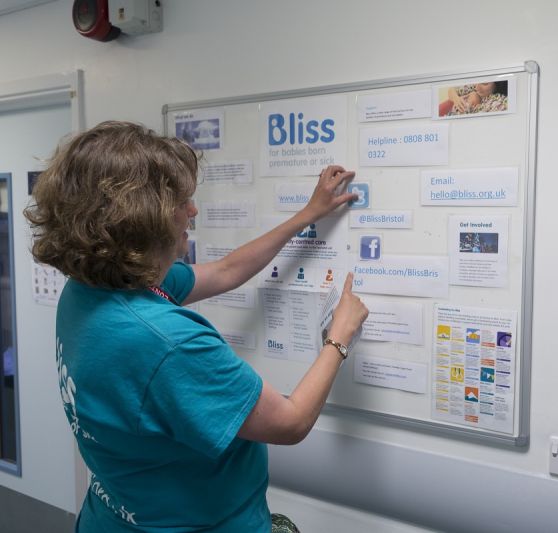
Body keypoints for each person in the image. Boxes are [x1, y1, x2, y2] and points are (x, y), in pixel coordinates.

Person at [23, 121, 369, 532]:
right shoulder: (167, 342)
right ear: (142, 219)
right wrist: (339, 336)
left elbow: (226, 271)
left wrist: (308, 215)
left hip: (114, 516)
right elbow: (290, 422)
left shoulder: (90, 290)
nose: (193, 211)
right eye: (181, 201)